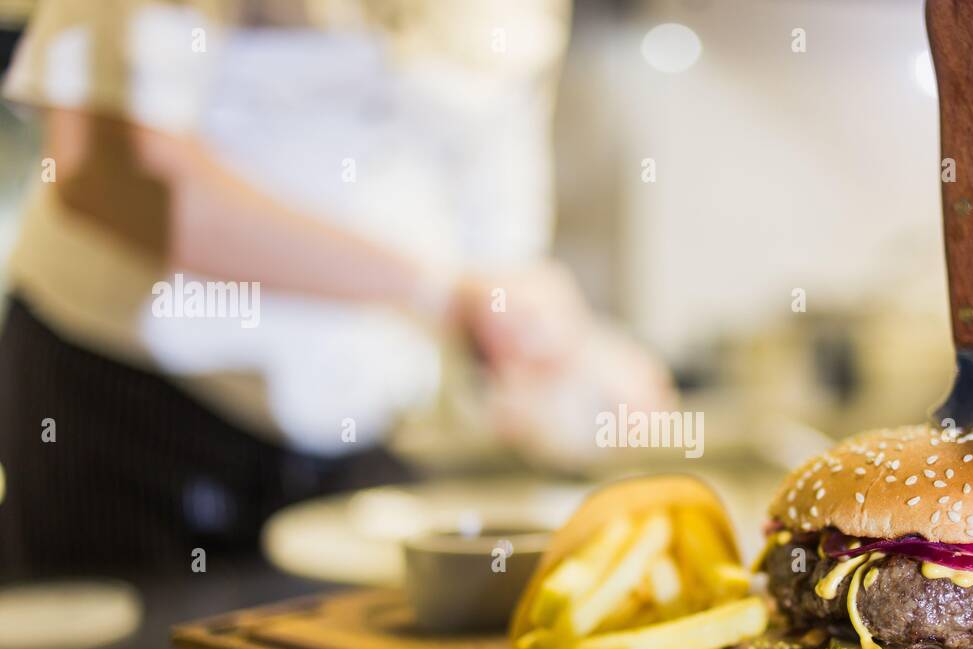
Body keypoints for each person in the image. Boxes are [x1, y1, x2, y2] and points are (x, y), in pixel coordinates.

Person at [0, 0, 671, 579]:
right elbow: (107, 170)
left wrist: (548, 346)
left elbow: (491, 223)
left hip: (355, 439)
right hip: (130, 406)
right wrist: (436, 290)